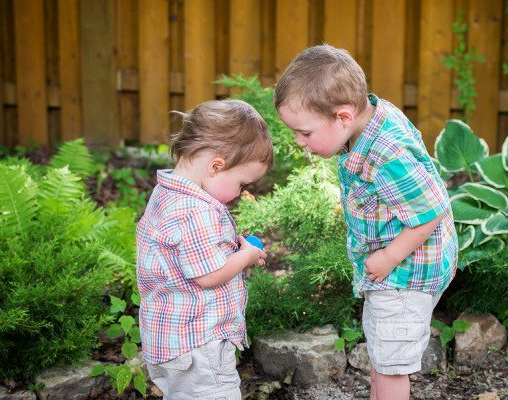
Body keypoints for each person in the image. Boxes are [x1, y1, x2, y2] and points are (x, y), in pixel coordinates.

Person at [275, 45, 458, 400]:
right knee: (383, 354)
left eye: (305, 133)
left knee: (391, 367)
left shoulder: (386, 154)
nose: (300, 142)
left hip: (407, 273)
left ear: (343, 116)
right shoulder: (368, 118)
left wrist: (389, 257)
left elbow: (430, 211)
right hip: (395, 270)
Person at [136, 99, 273, 399]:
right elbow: (209, 275)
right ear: (216, 166)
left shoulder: (166, 193)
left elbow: (188, 254)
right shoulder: (197, 211)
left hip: (171, 342)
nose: (240, 193)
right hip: (198, 345)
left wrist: (233, 249)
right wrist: (247, 256)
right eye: (241, 183)